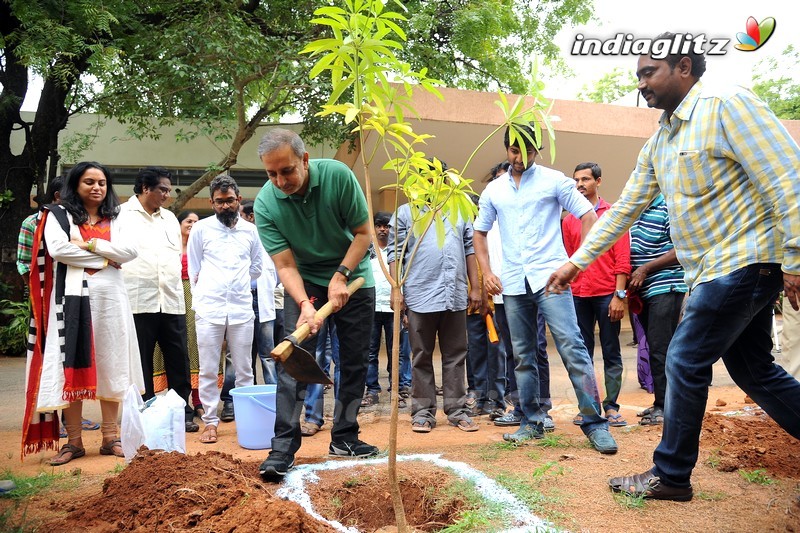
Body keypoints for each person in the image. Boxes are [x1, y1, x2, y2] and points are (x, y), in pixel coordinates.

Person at [548, 35, 800, 500]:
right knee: (754, 370)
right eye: (638, 74)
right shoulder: (661, 138)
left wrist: (796, 259)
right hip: (711, 268)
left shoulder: (727, 105)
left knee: (684, 358)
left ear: (684, 66)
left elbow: (786, 176)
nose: (640, 83)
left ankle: (671, 474)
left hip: (742, 260)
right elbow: (623, 210)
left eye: (649, 72)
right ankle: (673, 472)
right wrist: (576, 263)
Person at [473, 125, 618, 454]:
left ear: (536, 150)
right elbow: (479, 233)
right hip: (512, 282)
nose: (519, 157)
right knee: (523, 356)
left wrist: (576, 263)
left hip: (552, 279)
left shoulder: (555, 181)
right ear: (506, 149)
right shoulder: (494, 190)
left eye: (526, 151)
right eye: (513, 150)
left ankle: (595, 423)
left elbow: (588, 214)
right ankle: (531, 421)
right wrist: (487, 273)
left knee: (572, 348)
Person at [254, 128, 377, 478]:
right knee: (292, 363)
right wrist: (305, 304)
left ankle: (345, 437)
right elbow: (285, 264)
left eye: (287, 170)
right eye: (271, 173)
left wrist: (340, 276)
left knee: (352, 361)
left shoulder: (338, 176)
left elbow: (364, 233)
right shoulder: (265, 203)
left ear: (305, 160)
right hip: (303, 279)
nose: (280, 180)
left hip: (353, 276)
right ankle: (282, 449)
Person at [23, 161, 145, 464]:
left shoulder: (118, 216)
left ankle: (109, 437)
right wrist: (106, 256)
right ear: (76, 185)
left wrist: (89, 244)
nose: (97, 188)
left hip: (112, 300)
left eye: (102, 182)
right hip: (72, 300)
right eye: (89, 182)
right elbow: (59, 249)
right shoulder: (59, 215)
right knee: (70, 367)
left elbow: (130, 251)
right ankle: (74, 441)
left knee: (111, 363)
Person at [388, 160, 482, 434]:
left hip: (454, 294)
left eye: (437, 177)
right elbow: (395, 253)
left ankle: (457, 410)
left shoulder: (459, 211)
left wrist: (475, 288)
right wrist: (397, 290)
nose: (432, 182)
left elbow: (469, 248)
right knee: (421, 355)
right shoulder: (406, 213)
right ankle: (422, 413)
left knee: (456, 354)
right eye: (426, 177)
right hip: (419, 294)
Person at [120, 167, 198, 433]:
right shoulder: (122, 216)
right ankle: (145, 411)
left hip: (172, 300)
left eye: (168, 189)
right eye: (162, 189)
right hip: (138, 300)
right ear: (145, 188)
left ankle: (182, 410)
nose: (167, 195)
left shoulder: (169, 219)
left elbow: (175, 256)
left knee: (179, 357)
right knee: (140, 359)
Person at [188, 175, 262, 444]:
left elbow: (257, 267)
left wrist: (238, 283)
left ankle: (246, 421)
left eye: (229, 200)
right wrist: (202, 299)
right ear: (212, 202)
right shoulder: (201, 230)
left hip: (242, 308)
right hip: (209, 308)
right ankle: (210, 421)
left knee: (244, 369)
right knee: (208, 368)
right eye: (219, 202)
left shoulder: (251, 231)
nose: (225, 206)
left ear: (238, 200)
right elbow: (193, 268)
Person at [562, 162, 630, 427]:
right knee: (582, 352)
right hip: (578, 295)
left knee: (612, 351)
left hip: (606, 295)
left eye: (585, 179)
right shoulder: (569, 219)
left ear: (598, 181)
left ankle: (612, 407)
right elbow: (568, 258)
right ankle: (588, 406)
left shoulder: (612, 214)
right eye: (576, 180)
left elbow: (623, 257)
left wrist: (619, 295)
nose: (580, 184)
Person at [627, 194, 687, 426]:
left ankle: (665, 407)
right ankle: (661, 402)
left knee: (661, 347)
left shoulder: (668, 206)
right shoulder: (637, 209)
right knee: (656, 346)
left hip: (666, 284)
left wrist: (645, 268)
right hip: (644, 288)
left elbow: (679, 250)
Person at [363, 211, 412, 409]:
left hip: (395, 309)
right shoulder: (367, 251)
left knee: (397, 352)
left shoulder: (400, 252)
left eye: (387, 226)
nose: (383, 229)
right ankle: (372, 390)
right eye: (379, 225)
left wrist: (406, 309)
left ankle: (397, 390)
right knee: (370, 352)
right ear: (373, 228)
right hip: (372, 308)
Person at [177, 210, 204, 416]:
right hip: (175, 300)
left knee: (197, 349)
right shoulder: (170, 246)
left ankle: (199, 401)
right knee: (178, 351)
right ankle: (179, 402)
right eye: (188, 221)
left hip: (197, 299)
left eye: (196, 221)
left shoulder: (201, 247)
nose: (193, 224)